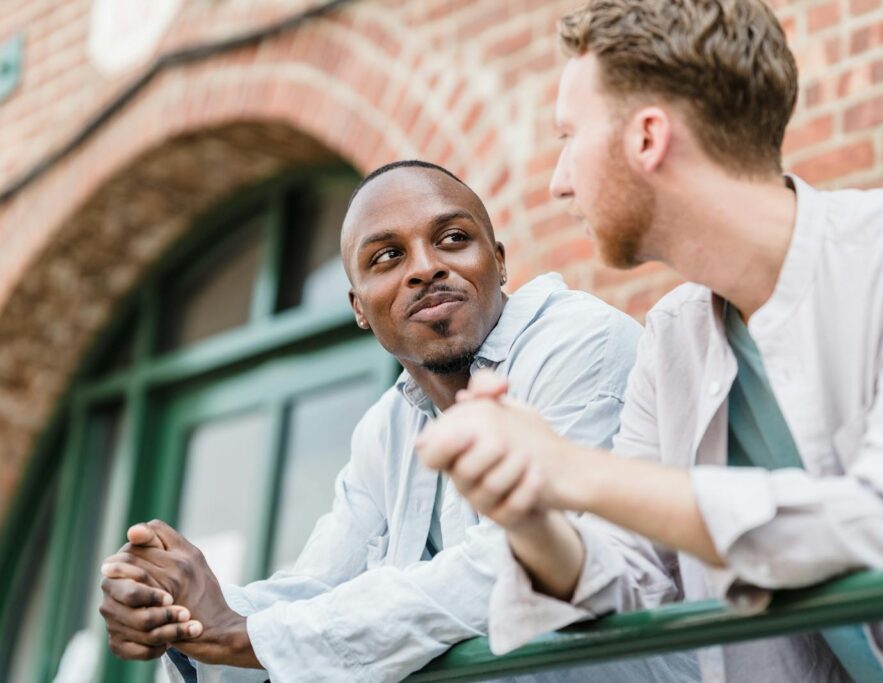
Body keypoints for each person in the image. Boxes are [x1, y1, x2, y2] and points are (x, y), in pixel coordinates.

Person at [416, 1, 883, 681]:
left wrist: (569, 467)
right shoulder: (671, 339)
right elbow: (630, 576)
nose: (559, 182)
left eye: (568, 137)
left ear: (647, 138)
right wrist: (528, 508)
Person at [97, 160, 700, 682]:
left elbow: (518, 567)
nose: (425, 267)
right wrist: (186, 612)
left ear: (499, 261)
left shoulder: (579, 343)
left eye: (453, 239)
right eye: (387, 256)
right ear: (359, 307)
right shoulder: (384, 429)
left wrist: (242, 635)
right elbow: (318, 587)